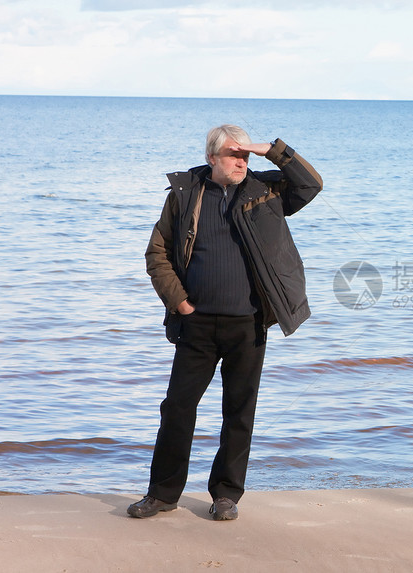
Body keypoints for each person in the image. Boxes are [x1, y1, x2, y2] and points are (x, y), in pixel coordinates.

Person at [128, 125, 322, 521]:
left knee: (239, 412)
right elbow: (158, 252)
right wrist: (180, 303)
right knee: (177, 409)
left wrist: (271, 150)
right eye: (233, 154)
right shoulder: (186, 194)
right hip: (196, 325)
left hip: (248, 324)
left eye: (246, 155)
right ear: (212, 157)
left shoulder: (266, 193)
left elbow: (312, 184)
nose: (241, 161)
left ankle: (226, 495)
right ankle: (163, 494)